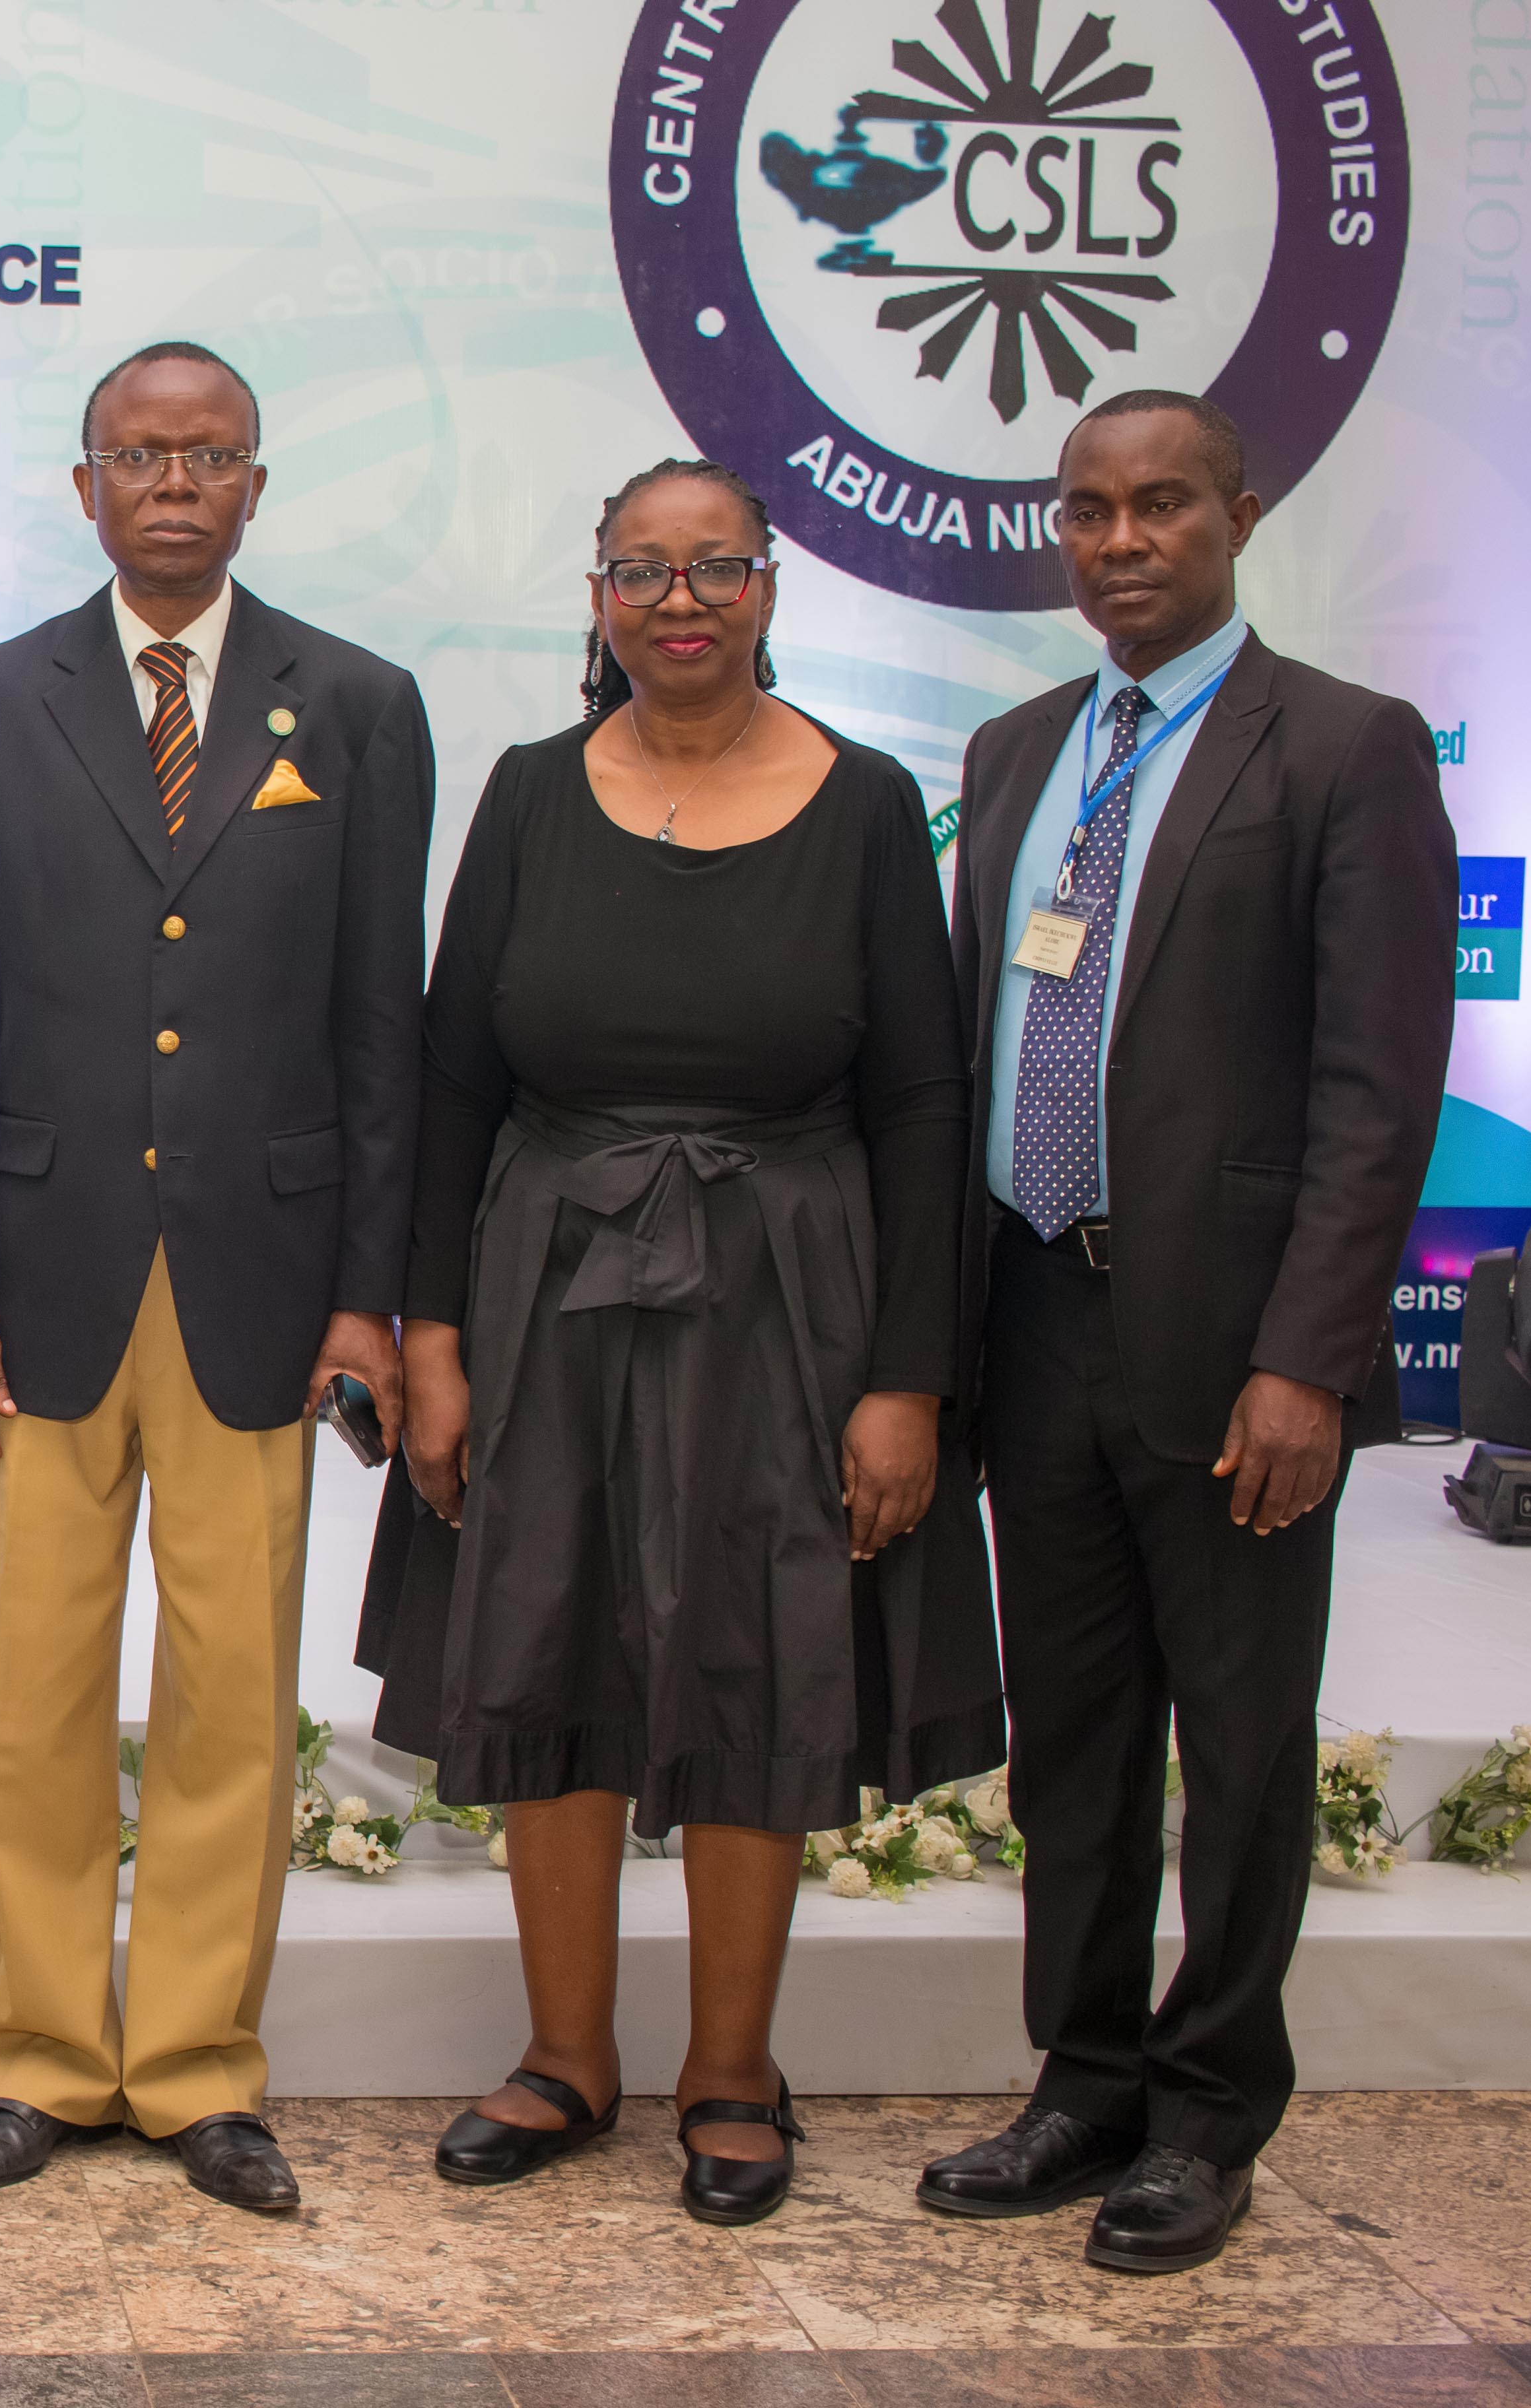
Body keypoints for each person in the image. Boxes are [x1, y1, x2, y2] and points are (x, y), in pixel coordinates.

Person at [360, 457, 1002, 2227]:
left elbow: (926, 1103)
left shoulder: (867, 804)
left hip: (787, 1295)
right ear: (599, 597)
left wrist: (909, 1379)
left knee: (758, 1658)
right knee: (545, 1641)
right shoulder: (527, 791)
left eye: (716, 567)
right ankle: (567, 2055)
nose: (680, 600)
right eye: (642, 570)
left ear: (769, 589)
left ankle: (733, 2069)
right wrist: (434, 1339)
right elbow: (452, 1080)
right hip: (544, 1280)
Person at [916, 391, 1456, 2273]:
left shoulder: (1348, 747)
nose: (1122, 540)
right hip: (1034, 1310)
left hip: (1239, 1352)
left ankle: (1211, 2115)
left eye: (1162, 505)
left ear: (1241, 514)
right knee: (1072, 1739)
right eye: (1089, 511)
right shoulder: (1014, 753)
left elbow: (1377, 1093)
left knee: (1237, 1742)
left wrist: (1311, 1359)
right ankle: (1083, 2083)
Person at [0, 341, 431, 2213]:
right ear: (86, 486)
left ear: (257, 486)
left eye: (210, 456)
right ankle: (41, 2060)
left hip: (266, 1279)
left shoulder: (356, 706)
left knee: (234, 1686)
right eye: (141, 455)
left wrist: (368, 1290)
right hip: (37, 1270)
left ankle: (201, 2067)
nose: (177, 484)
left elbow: (381, 1027)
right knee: (33, 1687)